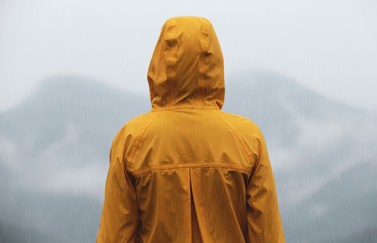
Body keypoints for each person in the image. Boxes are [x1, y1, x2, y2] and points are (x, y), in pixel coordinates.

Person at [96, 16, 285, 243]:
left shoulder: (131, 141)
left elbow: (115, 237)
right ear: (214, 61)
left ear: (159, 62)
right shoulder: (248, 139)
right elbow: (267, 236)